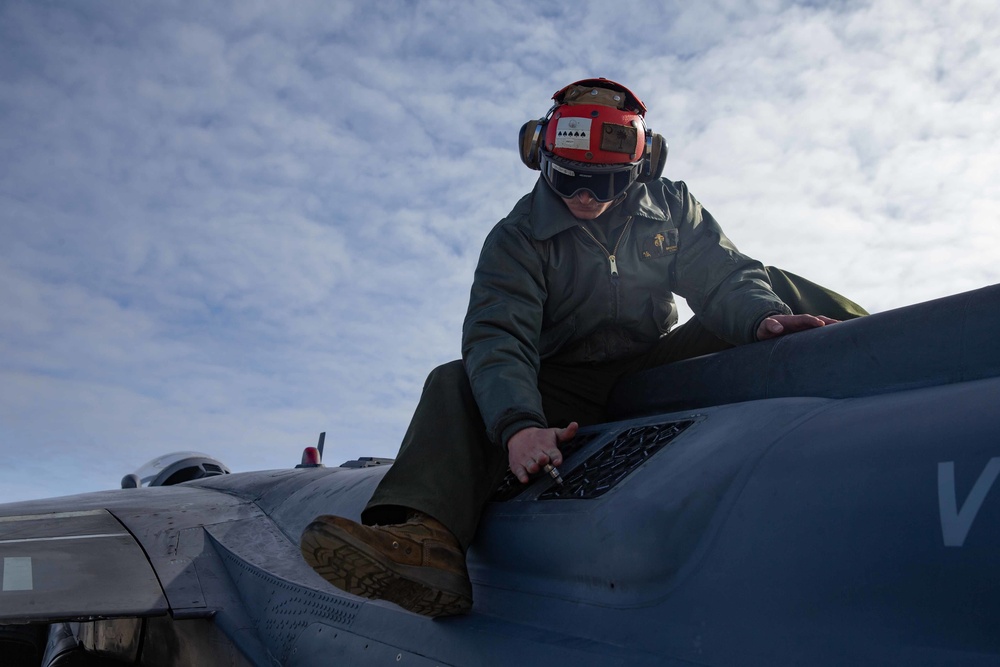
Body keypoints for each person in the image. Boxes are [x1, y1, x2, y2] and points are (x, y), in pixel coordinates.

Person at [299, 78, 867, 618]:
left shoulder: (670, 206)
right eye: (570, 181)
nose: (588, 197)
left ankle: (909, 353)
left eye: (609, 183)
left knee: (776, 288)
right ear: (540, 161)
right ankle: (428, 545)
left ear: (642, 169)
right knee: (455, 380)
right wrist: (520, 425)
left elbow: (722, 276)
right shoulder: (517, 238)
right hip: (561, 389)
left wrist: (760, 317)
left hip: (654, 369)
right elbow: (500, 336)